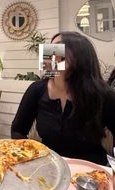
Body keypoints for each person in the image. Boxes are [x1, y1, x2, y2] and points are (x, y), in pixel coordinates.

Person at [11, 31, 115, 165]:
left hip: (92, 172)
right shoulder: (36, 90)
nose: (52, 52)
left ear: (80, 56)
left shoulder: (104, 95)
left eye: (60, 47)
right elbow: (17, 130)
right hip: (49, 166)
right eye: (51, 47)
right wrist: (28, 155)